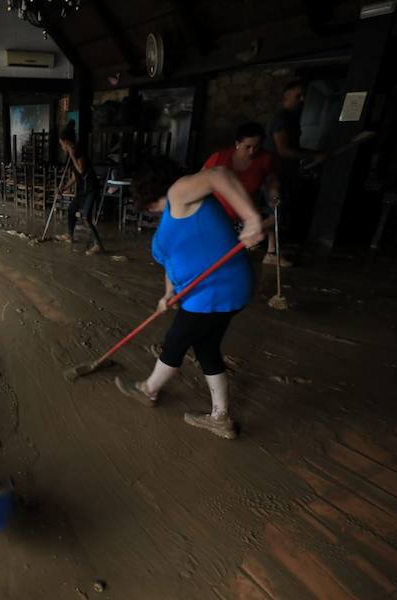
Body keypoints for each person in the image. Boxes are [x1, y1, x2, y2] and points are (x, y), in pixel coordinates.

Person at [113, 158, 264, 440]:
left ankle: (148, 390)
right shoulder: (172, 215)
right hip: (210, 292)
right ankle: (220, 417)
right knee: (206, 347)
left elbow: (218, 174)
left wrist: (252, 218)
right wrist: (168, 293)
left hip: (214, 290)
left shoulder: (179, 193)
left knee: (175, 341)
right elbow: (173, 259)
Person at [203, 122, 288, 266]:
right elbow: (199, 181)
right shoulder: (220, 158)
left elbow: (270, 179)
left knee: (275, 214)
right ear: (237, 143)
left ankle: (271, 253)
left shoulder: (264, 158)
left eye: (257, 146)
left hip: (244, 214)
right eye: (247, 146)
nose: (252, 151)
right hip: (217, 213)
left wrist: (274, 193)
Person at [264, 80, 328, 239]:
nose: (302, 99)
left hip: (285, 171)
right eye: (298, 95)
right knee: (274, 212)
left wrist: (314, 154)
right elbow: (283, 150)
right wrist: (313, 155)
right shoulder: (281, 118)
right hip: (275, 172)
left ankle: (269, 246)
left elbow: (293, 148)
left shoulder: (292, 118)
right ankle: (260, 242)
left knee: (278, 211)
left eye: (303, 95)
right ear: (287, 94)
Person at [54, 121, 105, 256]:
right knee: (71, 209)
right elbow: (74, 176)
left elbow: (81, 170)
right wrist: (64, 187)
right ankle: (70, 235)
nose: (61, 147)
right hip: (82, 189)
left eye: (61, 144)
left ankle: (98, 245)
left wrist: (71, 154)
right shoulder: (72, 154)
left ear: (66, 142)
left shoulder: (78, 151)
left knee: (87, 217)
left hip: (91, 188)